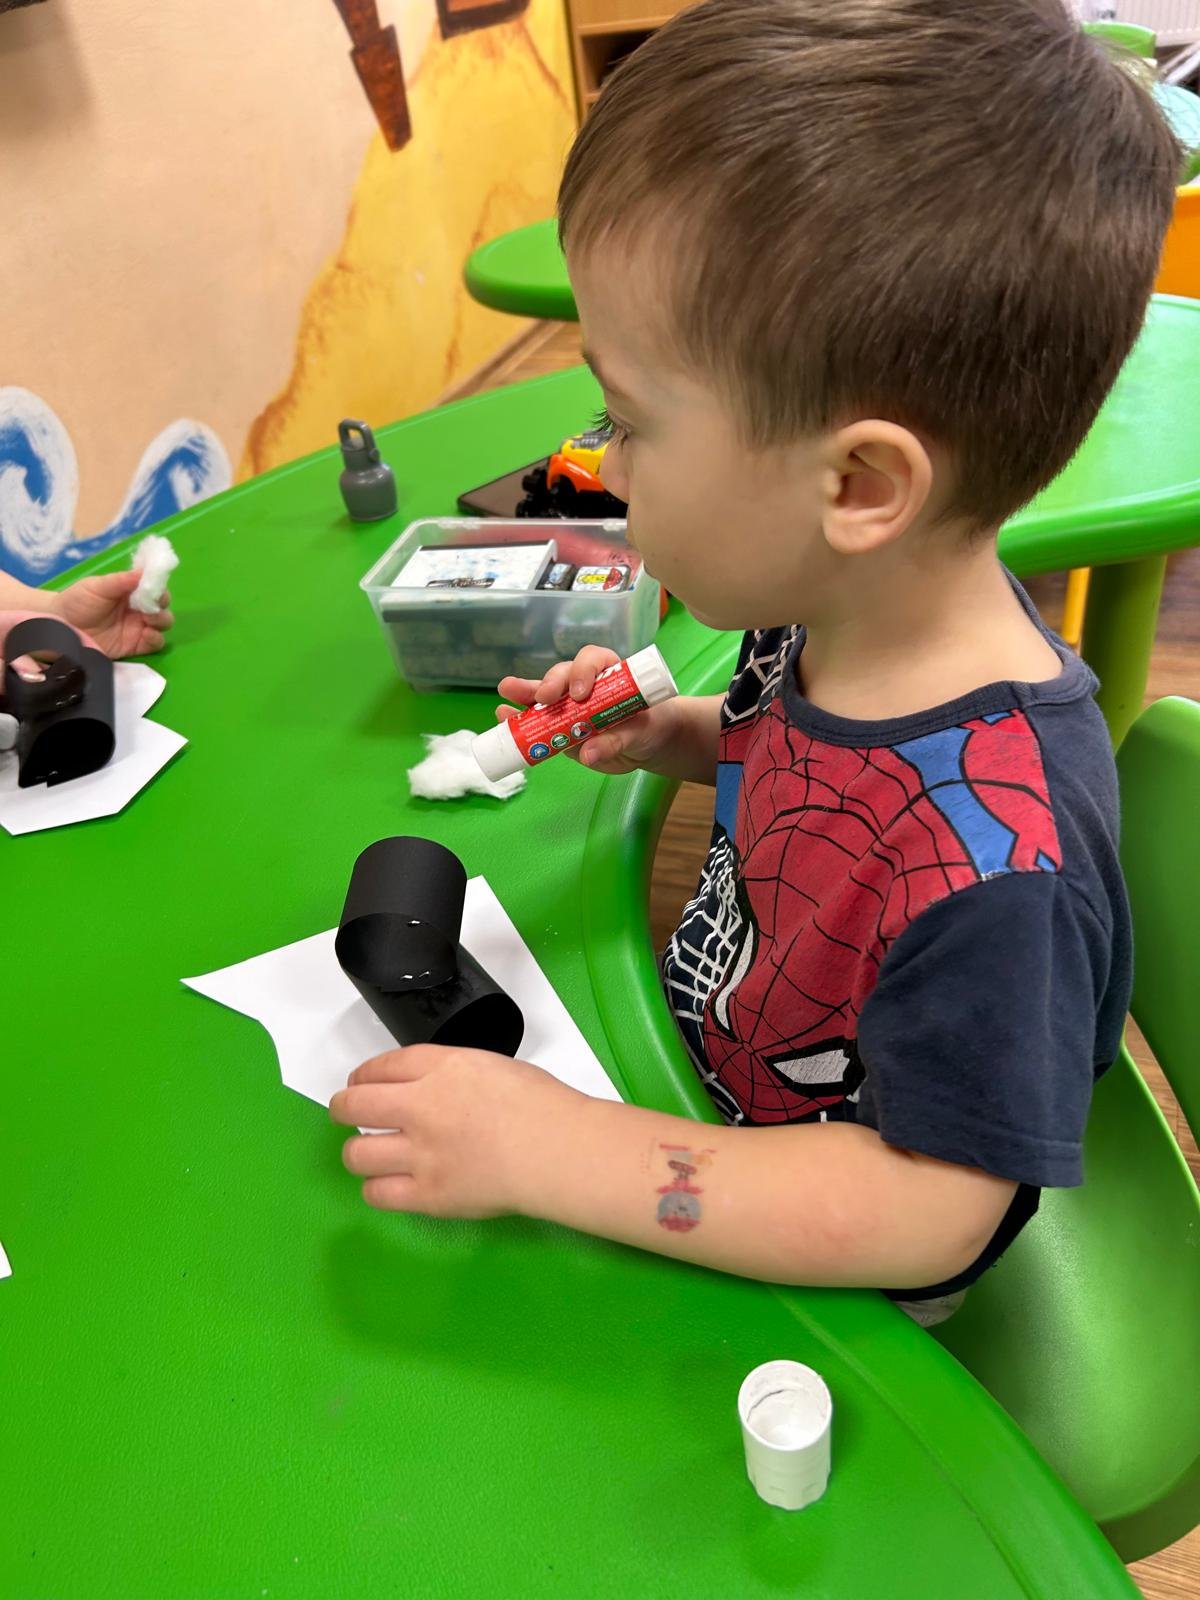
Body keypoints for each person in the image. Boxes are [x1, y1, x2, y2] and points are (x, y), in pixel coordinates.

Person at [329, 0, 1178, 1321]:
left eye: (628, 420)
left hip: (841, 1286)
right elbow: (814, 775)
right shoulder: (836, 609)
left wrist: (560, 1152)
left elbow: (932, 1213)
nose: (601, 467)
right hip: (721, 1091)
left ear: (857, 486)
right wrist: (678, 738)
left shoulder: (1003, 873)